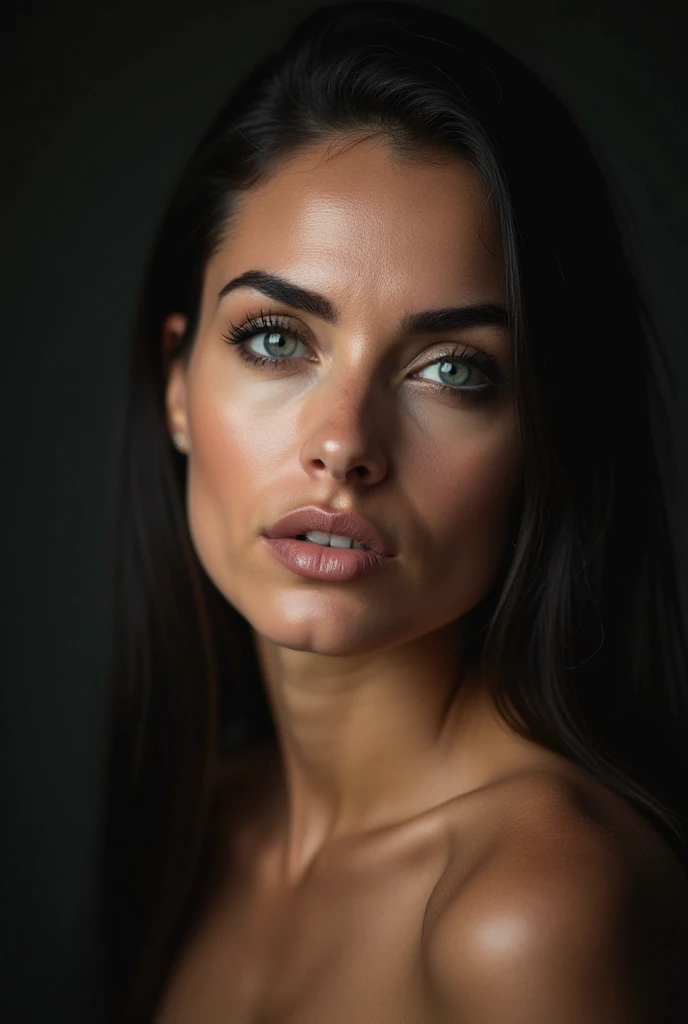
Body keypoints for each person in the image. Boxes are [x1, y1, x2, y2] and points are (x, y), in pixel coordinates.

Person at [99, 2, 688, 1021]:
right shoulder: (209, 825)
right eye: (278, 339)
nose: (345, 444)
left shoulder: (532, 910)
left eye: (452, 368)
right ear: (177, 386)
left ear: (547, 437)